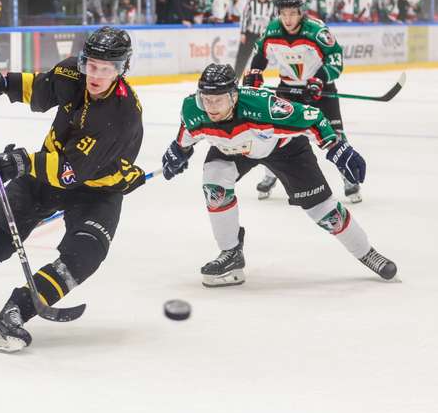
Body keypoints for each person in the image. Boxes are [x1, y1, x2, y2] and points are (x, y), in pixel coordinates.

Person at [0, 27, 147, 352]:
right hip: (45, 168)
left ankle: (15, 311)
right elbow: (38, 89)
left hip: (97, 189)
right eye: (92, 65)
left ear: (122, 70)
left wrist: (18, 162)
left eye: (107, 69)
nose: (96, 75)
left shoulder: (122, 115)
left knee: (85, 255)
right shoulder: (71, 73)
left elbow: (70, 172)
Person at [160, 63, 396, 287]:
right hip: (232, 151)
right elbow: (185, 136)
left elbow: (312, 117)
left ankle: (367, 253)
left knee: (325, 212)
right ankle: (231, 253)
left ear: (234, 96)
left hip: (285, 151)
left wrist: (335, 147)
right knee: (214, 184)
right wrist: (178, 151)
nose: (210, 107)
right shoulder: (193, 108)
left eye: (218, 100)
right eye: (206, 99)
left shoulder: (264, 107)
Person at [243, 0, 362, 203]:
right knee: (275, 135)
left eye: (292, 14)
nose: (287, 19)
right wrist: (255, 73)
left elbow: (335, 59)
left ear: (301, 13)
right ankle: (270, 175)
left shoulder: (316, 31)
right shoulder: (272, 30)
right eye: (283, 14)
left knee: (334, 135)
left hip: (320, 90)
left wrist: (319, 80)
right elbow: (260, 54)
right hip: (288, 89)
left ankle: (348, 177)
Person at [234, 0, 274, 74]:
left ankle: (256, 79)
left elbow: (273, 20)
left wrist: (271, 35)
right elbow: (244, 17)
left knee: (260, 59)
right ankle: (236, 78)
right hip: (250, 34)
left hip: (262, 37)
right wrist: (243, 33)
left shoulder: (271, 5)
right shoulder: (252, 2)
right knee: (242, 57)